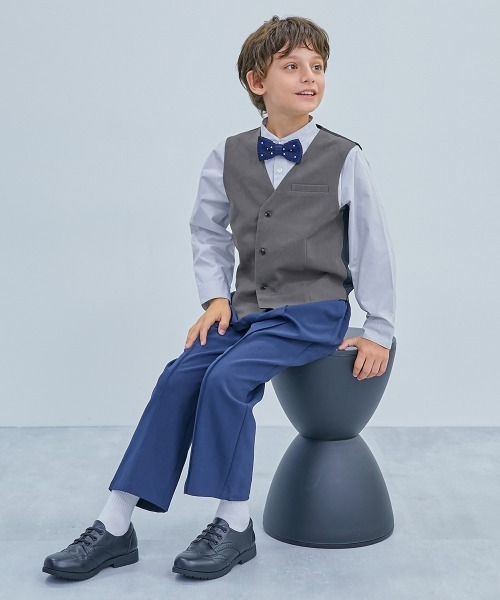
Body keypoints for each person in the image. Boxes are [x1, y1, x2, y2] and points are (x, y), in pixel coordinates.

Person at [42, 14, 396, 582]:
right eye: (292, 66)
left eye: (317, 66)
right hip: (247, 310)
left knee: (228, 380)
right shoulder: (227, 154)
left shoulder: (345, 157)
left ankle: (234, 524)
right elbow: (207, 231)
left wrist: (378, 328)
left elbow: (373, 245)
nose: (309, 77)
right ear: (258, 82)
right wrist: (215, 298)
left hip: (312, 312)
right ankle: (115, 524)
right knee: (178, 376)